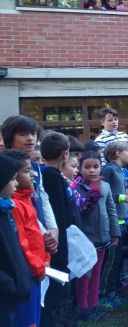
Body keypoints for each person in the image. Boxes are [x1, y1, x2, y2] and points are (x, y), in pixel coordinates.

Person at [0, 115, 59, 255]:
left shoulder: (35, 166)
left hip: (40, 232)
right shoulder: (5, 166)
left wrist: (53, 228)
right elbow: (14, 203)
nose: (30, 138)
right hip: (21, 235)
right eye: (23, 134)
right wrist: (44, 234)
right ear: (10, 137)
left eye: (33, 133)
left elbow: (43, 197)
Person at [6, 149, 48, 327]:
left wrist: (45, 258)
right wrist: (38, 267)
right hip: (28, 273)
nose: (32, 174)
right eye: (26, 171)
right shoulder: (13, 204)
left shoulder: (26, 198)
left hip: (36, 269)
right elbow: (21, 243)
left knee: (34, 319)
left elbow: (35, 235)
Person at [39, 131, 79, 325]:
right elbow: (59, 215)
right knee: (58, 293)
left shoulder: (51, 175)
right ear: (65, 154)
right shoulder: (52, 177)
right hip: (58, 246)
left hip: (60, 242)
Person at [75, 150, 118, 321]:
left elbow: (111, 210)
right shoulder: (76, 187)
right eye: (87, 167)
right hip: (85, 239)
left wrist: (115, 232)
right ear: (80, 168)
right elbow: (80, 211)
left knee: (97, 272)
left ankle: (94, 304)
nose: (92, 171)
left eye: (95, 167)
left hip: (103, 237)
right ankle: (83, 307)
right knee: (85, 273)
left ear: (101, 168)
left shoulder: (105, 186)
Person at [100, 140, 128, 305]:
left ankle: (114, 290)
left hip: (123, 221)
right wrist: (125, 197)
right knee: (110, 261)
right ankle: (104, 295)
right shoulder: (109, 170)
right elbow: (104, 195)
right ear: (117, 153)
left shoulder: (121, 171)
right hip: (113, 222)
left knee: (117, 260)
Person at [0, 153, 32, 327]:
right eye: (12, 179)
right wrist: (10, 286)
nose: (17, 183)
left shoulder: (5, 209)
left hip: (11, 297)